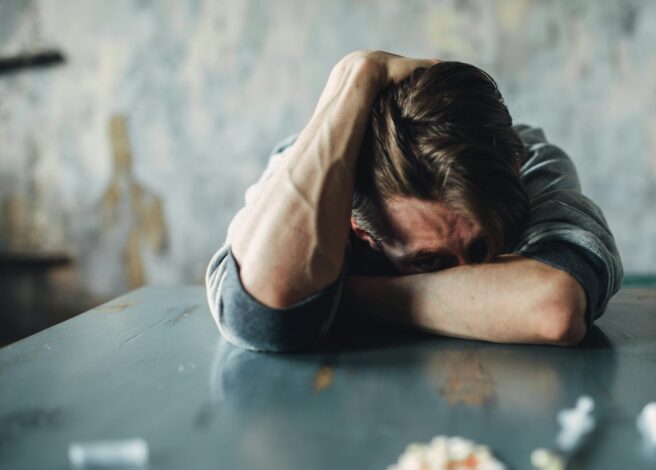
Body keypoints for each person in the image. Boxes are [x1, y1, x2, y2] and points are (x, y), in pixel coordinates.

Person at [205, 50, 622, 352]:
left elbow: (554, 309)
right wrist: (359, 73)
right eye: (429, 260)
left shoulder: (527, 159)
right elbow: (261, 317)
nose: (467, 274)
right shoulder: (308, 181)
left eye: (482, 246)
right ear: (356, 227)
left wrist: (339, 299)